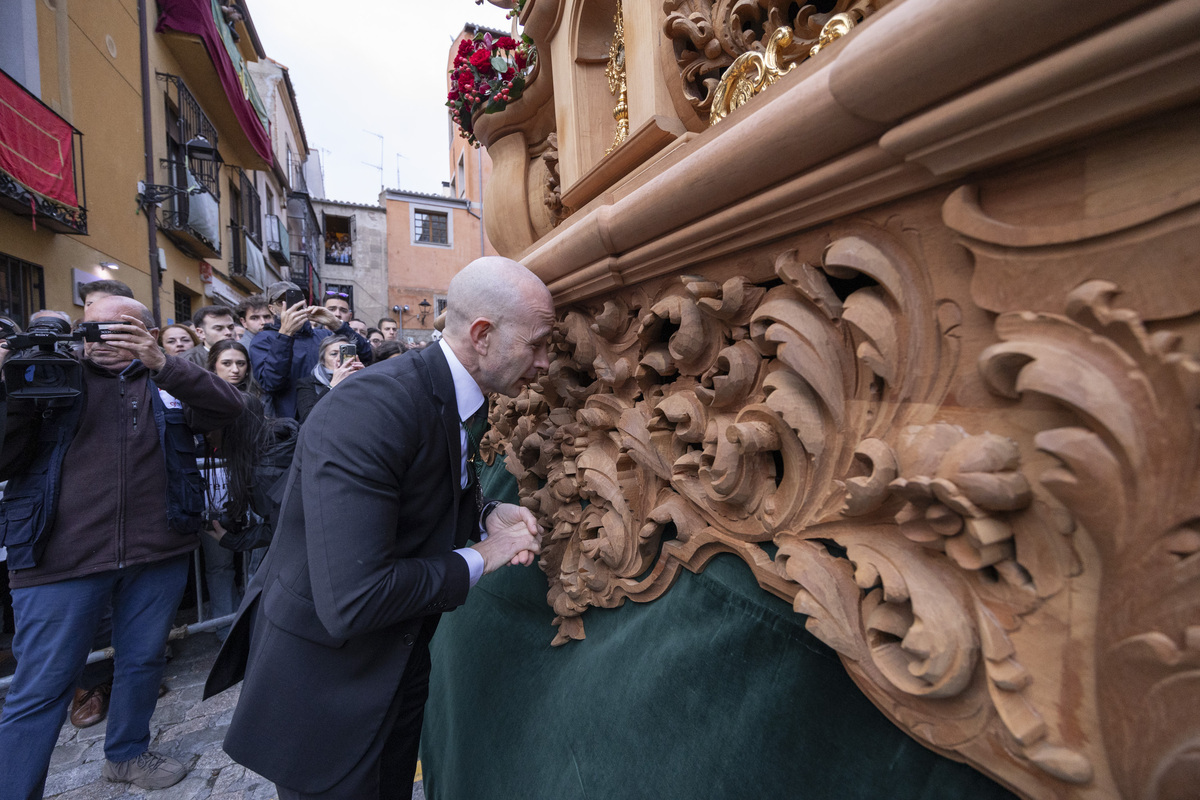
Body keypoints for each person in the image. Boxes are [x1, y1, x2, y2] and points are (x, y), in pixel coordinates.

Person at [205, 257, 554, 799]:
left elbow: (430, 481)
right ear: (483, 335)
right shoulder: (373, 408)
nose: (547, 362)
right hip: (328, 685)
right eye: (538, 344)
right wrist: (488, 551)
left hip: (397, 659)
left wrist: (486, 512)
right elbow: (354, 599)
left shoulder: (448, 390)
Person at [0, 295, 244, 795]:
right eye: (91, 330)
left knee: (143, 663)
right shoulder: (49, 376)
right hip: (58, 559)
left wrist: (164, 364)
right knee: (41, 688)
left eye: (117, 331)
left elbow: (231, 406)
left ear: (148, 334)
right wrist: (12, 384)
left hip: (158, 551)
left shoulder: (168, 380)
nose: (99, 342)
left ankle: (128, 755)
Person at [248, 281, 371, 420]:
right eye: (281, 301)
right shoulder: (264, 339)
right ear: (272, 308)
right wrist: (285, 335)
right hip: (289, 424)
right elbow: (271, 383)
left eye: (296, 300)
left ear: (305, 303)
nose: (290, 306)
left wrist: (336, 324)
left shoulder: (324, 335)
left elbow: (365, 353)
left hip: (330, 414)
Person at [294, 335, 364, 423]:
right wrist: (332, 386)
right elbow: (308, 417)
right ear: (323, 360)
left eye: (345, 354)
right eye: (334, 354)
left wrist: (364, 378)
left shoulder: (359, 379)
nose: (339, 359)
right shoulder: (307, 384)